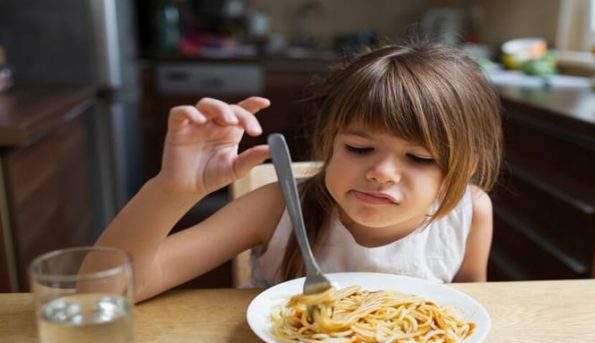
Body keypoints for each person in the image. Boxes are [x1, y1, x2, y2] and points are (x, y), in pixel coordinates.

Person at [95, 42, 502, 302]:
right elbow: (102, 291)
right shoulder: (276, 209)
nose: (382, 173)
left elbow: (469, 304)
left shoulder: (470, 211)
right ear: (328, 144)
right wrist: (171, 190)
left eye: (419, 158)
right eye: (359, 148)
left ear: (460, 171)